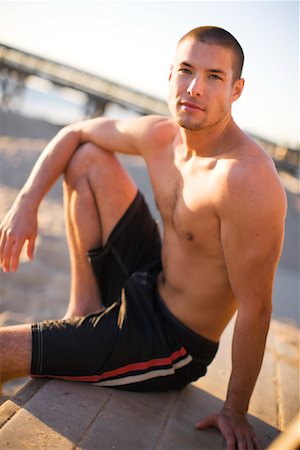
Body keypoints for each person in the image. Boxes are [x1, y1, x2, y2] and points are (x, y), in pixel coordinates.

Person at [0, 26, 286, 449]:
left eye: (214, 76)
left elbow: (258, 308)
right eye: (186, 70)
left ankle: (89, 334)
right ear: (170, 73)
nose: (194, 88)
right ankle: (85, 307)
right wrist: (26, 203)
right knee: (89, 155)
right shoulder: (162, 136)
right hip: (150, 278)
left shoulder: (245, 180)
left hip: (169, 341)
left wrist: (234, 411)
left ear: (236, 90)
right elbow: (76, 132)